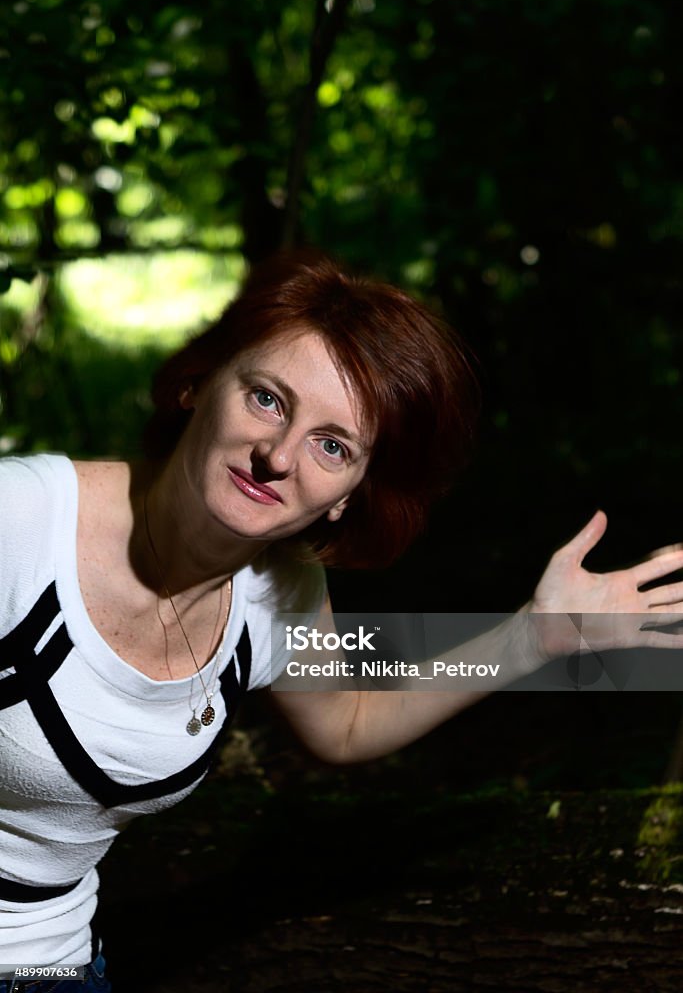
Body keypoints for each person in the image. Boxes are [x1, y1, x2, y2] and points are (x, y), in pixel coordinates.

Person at [1, 250, 683, 992]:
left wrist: (533, 635)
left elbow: (347, 723)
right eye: (267, 399)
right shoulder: (23, 522)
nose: (277, 456)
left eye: (333, 445)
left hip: (49, 965)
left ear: (348, 495)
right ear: (199, 384)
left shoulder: (281, 593)